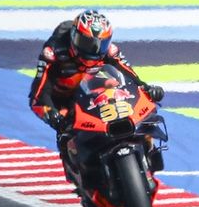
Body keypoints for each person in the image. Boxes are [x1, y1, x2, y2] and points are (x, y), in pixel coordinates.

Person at [28, 9, 165, 168]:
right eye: (88, 43)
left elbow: (130, 75)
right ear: (74, 37)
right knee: (67, 138)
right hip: (66, 102)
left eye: (101, 44)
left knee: (143, 116)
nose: (94, 49)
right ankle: (80, 174)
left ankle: (149, 149)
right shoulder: (53, 52)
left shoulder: (110, 51)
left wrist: (147, 89)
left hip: (98, 97)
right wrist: (51, 113)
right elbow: (38, 94)